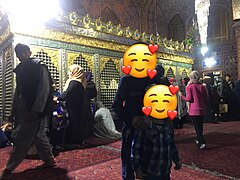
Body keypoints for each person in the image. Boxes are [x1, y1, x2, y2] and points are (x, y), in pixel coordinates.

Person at [0, 43, 55, 179]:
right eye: (19, 54)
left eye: (23, 53)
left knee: (23, 138)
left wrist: (37, 109)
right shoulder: (21, 70)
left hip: (36, 108)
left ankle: (8, 168)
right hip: (25, 108)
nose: (21, 57)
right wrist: (13, 112)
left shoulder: (39, 66)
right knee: (38, 135)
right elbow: (19, 92)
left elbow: (43, 89)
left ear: (29, 53)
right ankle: (49, 159)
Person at [55, 64, 89, 144]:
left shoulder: (74, 82)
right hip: (78, 107)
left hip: (73, 108)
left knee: (73, 124)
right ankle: (78, 141)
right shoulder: (81, 83)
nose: (68, 73)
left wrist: (57, 98)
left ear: (75, 73)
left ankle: (73, 142)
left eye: (70, 71)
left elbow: (67, 93)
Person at [178, 70, 208, 149]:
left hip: (194, 110)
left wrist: (181, 96)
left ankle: (202, 142)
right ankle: (198, 139)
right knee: (200, 126)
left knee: (197, 127)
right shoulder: (202, 86)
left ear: (191, 77)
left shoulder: (190, 87)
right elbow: (206, 98)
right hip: (202, 109)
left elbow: (189, 99)